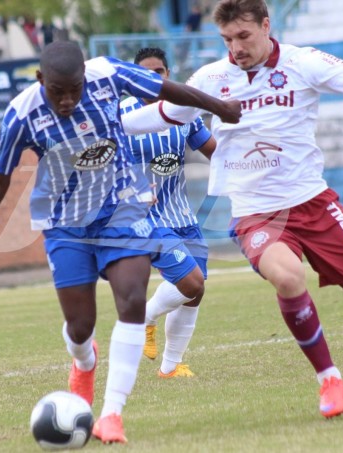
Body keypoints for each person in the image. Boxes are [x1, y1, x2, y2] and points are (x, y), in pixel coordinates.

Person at [121, 0, 343, 418]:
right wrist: (105, 122)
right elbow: (161, 115)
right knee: (288, 277)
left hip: (315, 204)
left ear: (266, 25)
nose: (236, 47)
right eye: (228, 39)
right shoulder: (211, 78)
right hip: (257, 213)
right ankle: (329, 379)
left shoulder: (304, 63)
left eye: (244, 36)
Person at [0, 41, 240, 444]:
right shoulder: (21, 115)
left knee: (132, 300)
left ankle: (111, 415)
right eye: (58, 92)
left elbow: (164, 91)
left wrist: (218, 106)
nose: (68, 100)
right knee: (81, 327)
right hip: (65, 223)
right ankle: (84, 362)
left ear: (85, 78)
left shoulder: (107, 74)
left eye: (75, 89)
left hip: (122, 210)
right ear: (40, 81)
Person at [120, 47, 216, 379]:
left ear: (168, 74)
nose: (153, 78)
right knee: (190, 281)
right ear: (133, 80)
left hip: (182, 216)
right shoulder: (121, 116)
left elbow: (213, 151)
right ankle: (145, 317)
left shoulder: (182, 114)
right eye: (145, 73)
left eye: (159, 71)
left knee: (196, 290)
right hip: (143, 219)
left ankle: (171, 366)